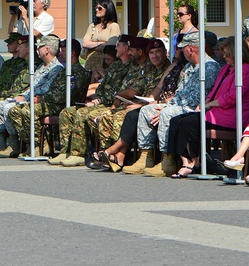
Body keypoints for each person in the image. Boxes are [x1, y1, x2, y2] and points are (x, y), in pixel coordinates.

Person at [162, 38, 249, 178]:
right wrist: (205, 101)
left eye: (227, 54)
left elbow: (233, 96)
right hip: (216, 112)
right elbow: (215, 90)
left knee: (189, 123)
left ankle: (195, 161)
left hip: (231, 115)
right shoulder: (226, 68)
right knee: (176, 121)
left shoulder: (245, 70)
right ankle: (186, 161)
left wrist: (210, 104)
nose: (224, 57)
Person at [130, 32, 221, 176]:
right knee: (147, 110)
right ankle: (145, 156)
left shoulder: (208, 67)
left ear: (190, 49)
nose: (181, 52)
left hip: (194, 108)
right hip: (180, 104)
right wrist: (168, 105)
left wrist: (168, 108)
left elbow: (196, 98)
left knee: (167, 114)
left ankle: (168, 159)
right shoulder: (189, 67)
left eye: (183, 49)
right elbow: (179, 92)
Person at [92, 38, 172, 171]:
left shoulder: (168, 69)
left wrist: (141, 105)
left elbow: (149, 94)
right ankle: (115, 156)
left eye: (158, 52)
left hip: (159, 106)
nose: (154, 55)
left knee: (126, 116)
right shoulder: (149, 69)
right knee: (109, 115)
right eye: (151, 52)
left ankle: (114, 153)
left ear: (165, 52)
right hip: (143, 104)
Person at [55, 35, 132, 167]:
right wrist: (96, 98)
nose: (116, 47)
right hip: (102, 101)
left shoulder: (130, 67)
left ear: (126, 48)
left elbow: (117, 92)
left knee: (82, 113)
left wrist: (99, 100)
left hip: (111, 103)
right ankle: (65, 150)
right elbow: (103, 87)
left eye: (118, 45)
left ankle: (79, 153)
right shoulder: (115, 66)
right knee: (67, 112)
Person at [10, 38, 91, 158]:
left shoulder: (77, 72)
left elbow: (65, 95)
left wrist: (43, 99)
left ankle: (39, 145)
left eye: (63, 50)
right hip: (51, 102)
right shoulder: (64, 71)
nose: (60, 53)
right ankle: (31, 143)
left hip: (62, 105)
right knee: (15, 110)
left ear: (72, 53)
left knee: (29, 111)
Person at [0, 35, 65, 158]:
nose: (37, 50)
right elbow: (32, 86)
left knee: (9, 108)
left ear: (47, 50)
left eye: (39, 47)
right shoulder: (42, 66)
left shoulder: (56, 68)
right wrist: (22, 95)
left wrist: (26, 98)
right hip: (29, 97)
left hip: (39, 101)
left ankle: (23, 144)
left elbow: (45, 88)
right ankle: (2, 143)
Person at [81, 0, 121, 74]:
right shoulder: (92, 26)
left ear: (108, 9)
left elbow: (111, 44)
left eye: (100, 8)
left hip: (105, 62)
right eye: (96, 8)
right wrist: (101, 43)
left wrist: (92, 44)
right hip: (91, 61)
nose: (97, 10)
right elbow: (85, 43)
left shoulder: (114, 26)